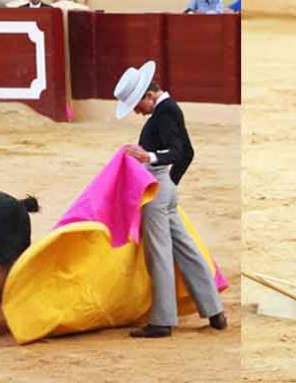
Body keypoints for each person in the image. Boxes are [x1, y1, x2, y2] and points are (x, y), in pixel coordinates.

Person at [113, 60, 227, 338]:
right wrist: (170, 186)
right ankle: (214, 310)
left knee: (159, 254)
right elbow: (185, 152)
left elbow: (181, 151)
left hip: (155, 186)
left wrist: (150, 160)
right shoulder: (167, 109)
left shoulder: (165, 113)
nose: (138, 112)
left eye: (138, 105)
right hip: (163, 186)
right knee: (186, 248)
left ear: (149, 95)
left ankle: (162, 321)